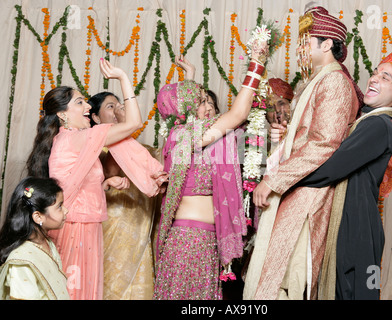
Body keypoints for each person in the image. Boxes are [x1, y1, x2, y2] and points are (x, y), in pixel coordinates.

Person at [244, 5, 362, 300]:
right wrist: (284, 140)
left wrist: (273, 180)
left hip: (309, 192)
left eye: (306, 41)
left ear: (326, 44)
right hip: (296, 187)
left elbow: (324, 143)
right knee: (274, 273)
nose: (300, 48)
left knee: (290, 276)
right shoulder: (316, 80)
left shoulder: (334, 81)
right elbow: (310, 135)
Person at [294, 47, 392, 299]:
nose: (373, 78)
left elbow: (331, 168)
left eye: (386, 77)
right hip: (351, 225)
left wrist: (286, 181)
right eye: (375, 73)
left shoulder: (379, 125)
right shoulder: (364, 120)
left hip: (359, 230)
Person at [153, 40, 269, 300]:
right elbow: (238, 114)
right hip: (189, 242)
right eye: (200, 100)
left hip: (204, 243)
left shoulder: (187, 137)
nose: (207, 106)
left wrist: (190, 77)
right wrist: (257, 64)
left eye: (207, 100)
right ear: (188, 109)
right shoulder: (186, 136)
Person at [25, 58, 143, 300]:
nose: (88, 107)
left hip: (80, 224)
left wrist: (104, 184)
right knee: (75, 293)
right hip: (76, 230)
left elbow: (72, 186)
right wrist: (122, 78)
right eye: (80, 103)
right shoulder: (77, 138)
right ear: (62, 114)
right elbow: (133, 123)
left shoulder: (67, 140)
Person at [87, 91, 166, 299]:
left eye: (120, 106)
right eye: (110, 107)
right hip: (111, 221)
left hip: (137, 222)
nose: (117, 111)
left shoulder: (136, 147)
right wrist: (123, 127)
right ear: (95, 117)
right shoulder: (94, 145)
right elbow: (110, 172)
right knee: (111, 279)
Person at [0, 177, 69, 300]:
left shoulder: (47, 244)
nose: (66, 210)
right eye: (59, 206)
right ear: (38, 217)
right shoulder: (21, 261)